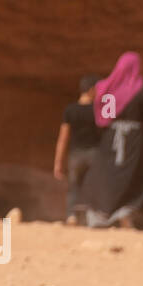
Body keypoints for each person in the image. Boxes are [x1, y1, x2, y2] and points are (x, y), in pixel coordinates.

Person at [82, 53, 143, 229]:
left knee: (107, 174)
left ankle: (102, 214)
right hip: (135, 141)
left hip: (111, 139)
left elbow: (104, 120)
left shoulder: (110, 90)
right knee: (134, 173)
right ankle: (125, 212)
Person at [53, 75, 101, 226]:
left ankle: (71, 216)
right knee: (94, 186)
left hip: (75, 155)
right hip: (95, 154)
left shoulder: (70, 110)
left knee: (74, 186)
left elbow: (63, 138)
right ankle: (91, 218)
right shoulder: (98, 110)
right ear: (92, 90)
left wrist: (58, 162)